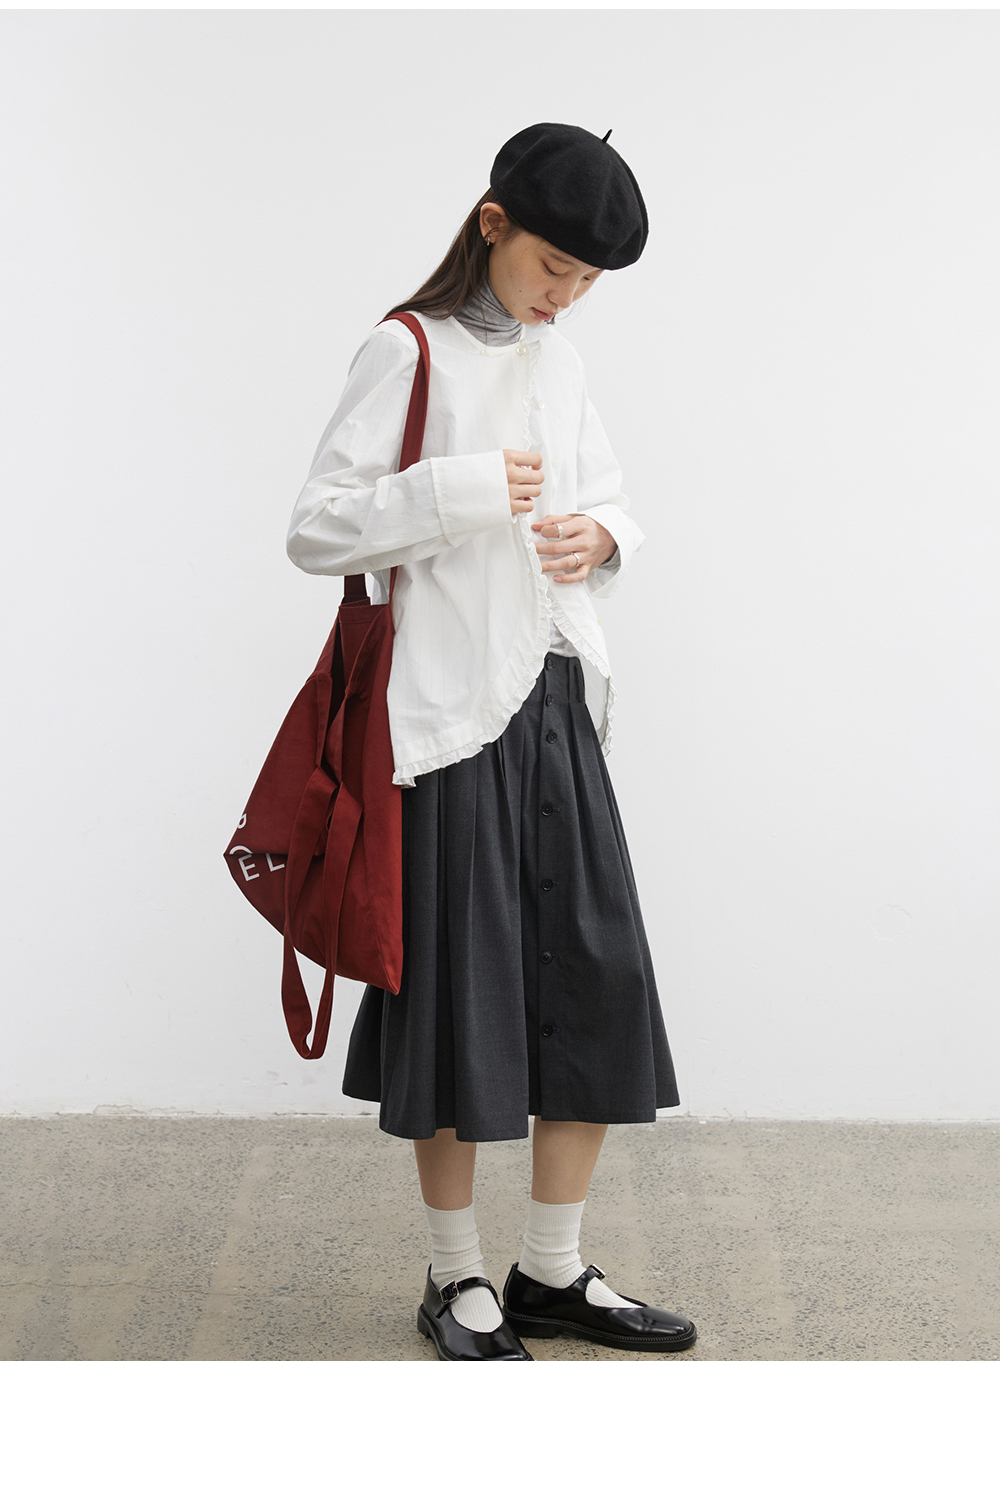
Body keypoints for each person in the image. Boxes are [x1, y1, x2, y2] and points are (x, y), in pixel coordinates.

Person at [286, 122, 696, 1361]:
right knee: (458, 999)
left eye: (587, 280)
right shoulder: (403, 348)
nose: (565, 296)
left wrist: (603, 537)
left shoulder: (558, 360)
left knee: (596, 982)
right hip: (450, 721)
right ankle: (453, 1273)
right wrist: (462, 490)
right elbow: (316, 528)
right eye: (553, 266)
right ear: (492, 222)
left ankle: (552, 1269)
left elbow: (605, 489)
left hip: (559, 703)